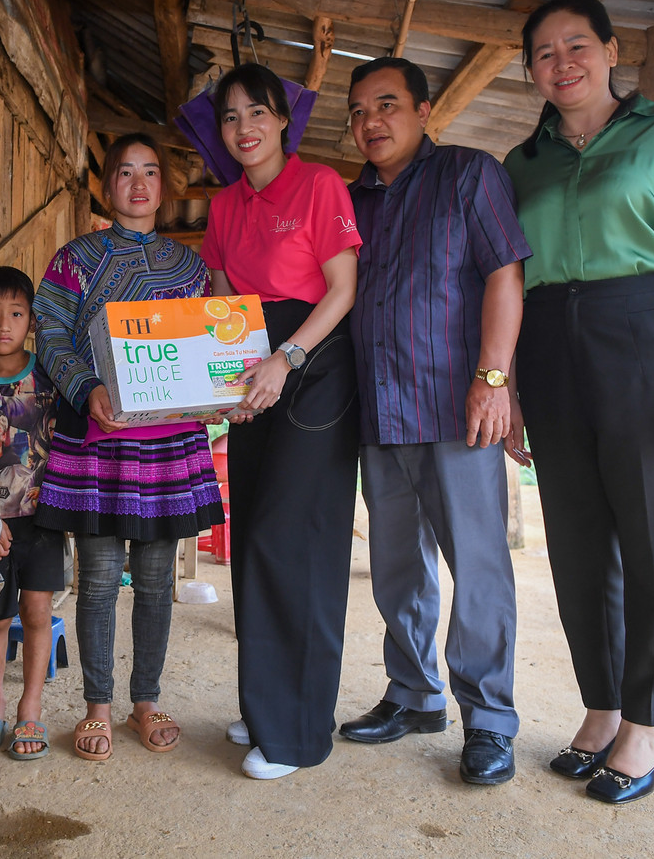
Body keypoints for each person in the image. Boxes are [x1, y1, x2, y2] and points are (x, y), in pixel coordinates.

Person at [503, 0, 654, 804]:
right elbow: (507, 280)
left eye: (576, 45)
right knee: (577, 543)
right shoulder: (521, 163)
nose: (561, 62)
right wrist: (510, 384)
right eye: (543, 52)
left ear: (610, 51)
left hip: (645, 333)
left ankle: (653, 719)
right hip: (547, 343)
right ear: (531, 71)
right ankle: (603, 707)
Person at [339, 57, 532, 785]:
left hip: (457, 406)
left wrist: (494, 380)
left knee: (477, 568)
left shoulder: (468, 174)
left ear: (424, 111)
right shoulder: (350, 201)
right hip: (379, 408)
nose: (371, 122)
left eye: (386, 105)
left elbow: (505, 274)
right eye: (358, 111)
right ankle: (415, 693)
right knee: (397, 570)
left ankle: (489, 718)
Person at [33, 133, 223, 761]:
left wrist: (221, 389)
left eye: (149, 173)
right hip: (100, 437)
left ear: (163, 187)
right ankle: (97, 704)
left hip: (168, 442)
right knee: (96, 580)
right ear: (107, 184)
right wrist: (86, 387)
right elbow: (49, 331)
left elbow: (205, 345)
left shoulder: (190, 268)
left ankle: (145, 699)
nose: (138, 185)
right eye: (124, 172)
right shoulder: (75, 260)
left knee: (155, 579)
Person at [200, 63, 362, 780]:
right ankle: (266, 704)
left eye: (257, 112)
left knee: (292, 541)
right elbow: (221, 299)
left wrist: (286, 359)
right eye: (231, 116)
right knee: (252, 537)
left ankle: (297, 732)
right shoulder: (224, 205)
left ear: (283, 120)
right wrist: (229, 377)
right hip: (252, 371)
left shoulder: (319, 184)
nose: (245, 128)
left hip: (315, 368)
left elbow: (342, 290)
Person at [0, 266, 63, 760]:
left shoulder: (52, 378)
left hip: (44, 521)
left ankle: (30, 708)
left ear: (32, 321)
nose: (5, 325)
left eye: (17, 314)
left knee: (37, 612)